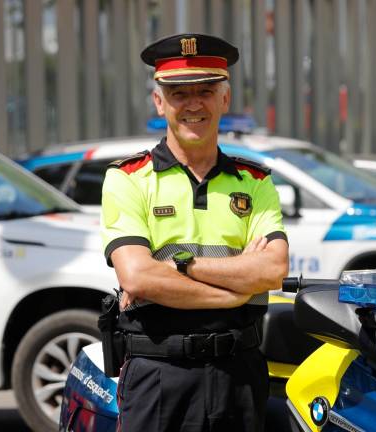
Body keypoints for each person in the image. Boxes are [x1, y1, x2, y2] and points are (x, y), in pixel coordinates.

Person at [99, 33, 289, 432]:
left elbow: (272, 270)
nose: (192, 104)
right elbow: (136, 276)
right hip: (158, 376)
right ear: (159, 102)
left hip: (239, 375)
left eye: (205, 91)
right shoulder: (128, 179)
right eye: (178, 93)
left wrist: (178, 266)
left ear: (225, 99)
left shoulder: (254, 181)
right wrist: (237, 288)